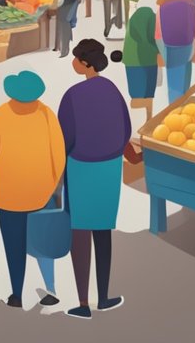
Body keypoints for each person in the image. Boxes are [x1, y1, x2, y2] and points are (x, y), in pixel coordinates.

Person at [0, 70, 66, 309]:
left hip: (8, 196)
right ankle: (51, 289)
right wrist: (54, 186)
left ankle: (17, 294)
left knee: (13, 245)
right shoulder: (47, 115)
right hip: (42, 194)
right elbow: (59, 157)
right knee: (42, 243)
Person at [60, 40, 130, 319]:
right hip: (110, 168)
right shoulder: (112, 90)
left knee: (80, 232)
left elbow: (65, 138)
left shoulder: (73, 95)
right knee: (103, 231)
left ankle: (82, 302)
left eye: (76, 58)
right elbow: (125, 129)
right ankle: (104, 296)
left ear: (85, 63)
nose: (73, 62)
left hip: (81, 167)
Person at [122, 6, 160, 122]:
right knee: (144, 96)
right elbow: (154, 38)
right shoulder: (151, 19)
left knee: (143, 95)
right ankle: (149, 117)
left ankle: (149, 118)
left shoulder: (133, 24)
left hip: (134, 62)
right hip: (145, 62)